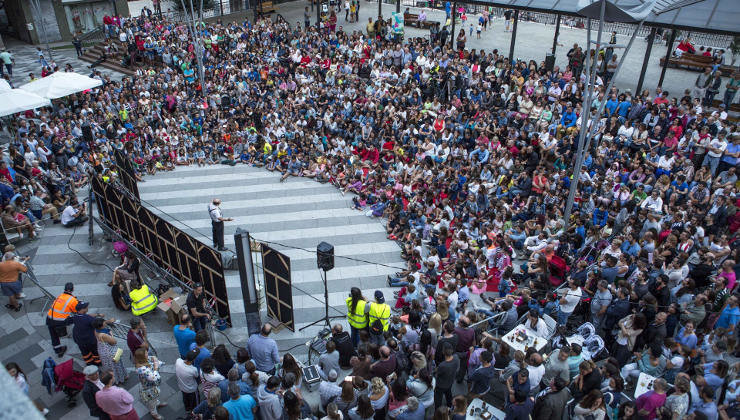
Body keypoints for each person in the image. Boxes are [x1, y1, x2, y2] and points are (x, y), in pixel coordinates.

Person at [46, 281, 78, 357]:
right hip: (60, 321)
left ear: (64, 289)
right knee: (77, 318)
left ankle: (58, 350)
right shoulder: (73, 300)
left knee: (53, 335)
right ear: (72, 289)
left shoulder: (60, 296)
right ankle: (77, 335)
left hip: (49, 318)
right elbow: (76, 311)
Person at [134, 347, 166, 419]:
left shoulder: (143, 360)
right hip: (149, 389)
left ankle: (157, 403)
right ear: (142, 357)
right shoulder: (142, 369)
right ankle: (154, 413)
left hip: (152, 386)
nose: (147, 353)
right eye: (146, 353)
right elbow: (153, 378)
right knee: (152, 402)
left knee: (155, 398)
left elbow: (152, 358)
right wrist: (155, 368)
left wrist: (154, 359)